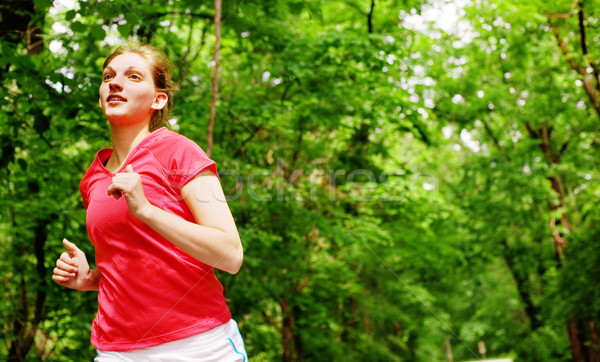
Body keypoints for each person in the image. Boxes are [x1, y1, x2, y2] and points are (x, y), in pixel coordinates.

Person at [51, 43, 247, 361]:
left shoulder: (179, 152)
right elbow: (143, 264)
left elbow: (230, 254)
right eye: (108, 76)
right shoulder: (93, 179)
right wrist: (91, 280)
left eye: (133, 76)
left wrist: (146, 211)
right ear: (101, 94)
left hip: (197, 346)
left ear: (158, 99)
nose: (115, 82)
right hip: (116, 350)